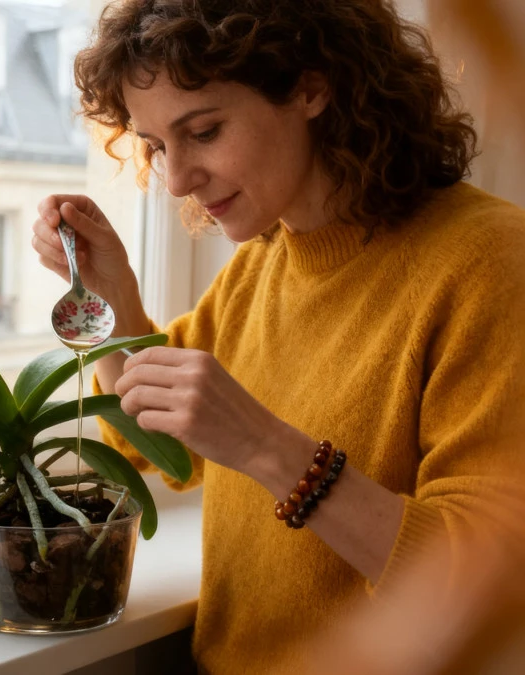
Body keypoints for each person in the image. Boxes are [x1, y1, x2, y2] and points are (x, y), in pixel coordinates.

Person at [31, 0, 525, 671]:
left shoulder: (490, 262)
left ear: (311, 87)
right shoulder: (263, 264)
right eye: (155, 145)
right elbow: (149, 440)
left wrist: (266, 446)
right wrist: (114, 293)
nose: (176, 179)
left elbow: (476, 578)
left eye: (202, 131)